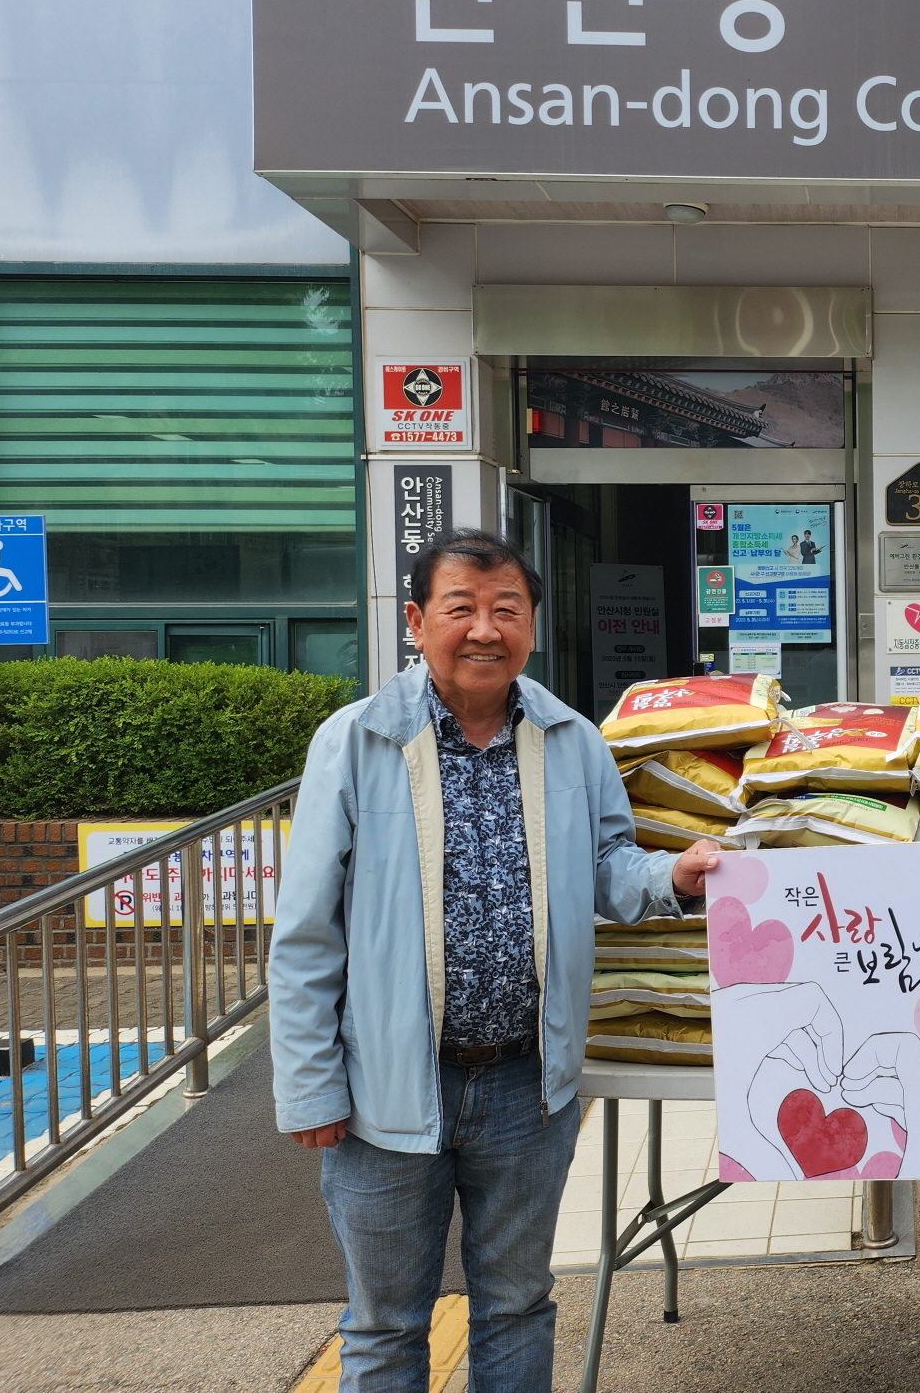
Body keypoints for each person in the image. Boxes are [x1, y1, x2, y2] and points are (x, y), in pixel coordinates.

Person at [269, 528, 722, 1392]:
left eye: (506, 609)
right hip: (384, 1089)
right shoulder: (356, 741)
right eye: (461, 608)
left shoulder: (570, 740)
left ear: (532, 626)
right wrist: (309, 1083)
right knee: (385, 1323)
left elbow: (606, 869)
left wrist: (675, 874)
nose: (485, 629)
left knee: (516, 1304)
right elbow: (305, 932)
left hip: (526, 1089)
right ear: (416, 620)